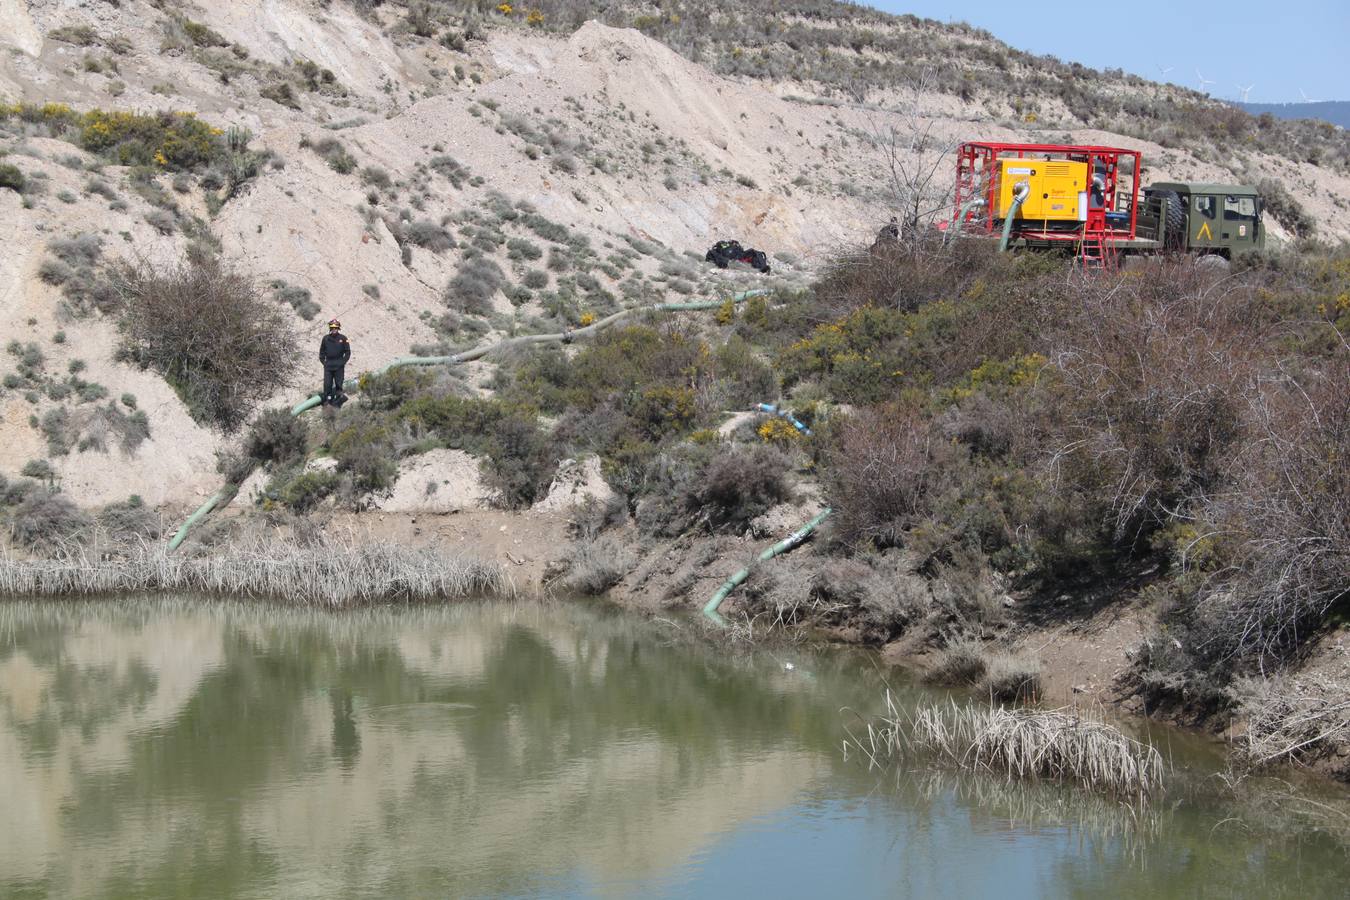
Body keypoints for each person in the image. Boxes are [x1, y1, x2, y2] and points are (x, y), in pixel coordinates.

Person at [319, 318, 350, 407]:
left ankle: (338, 401)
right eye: (332, 328)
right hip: (328, 366)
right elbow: (321, 352)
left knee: (339, 384)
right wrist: (323, 361)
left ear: (338, 328)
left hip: (339, 366)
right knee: (327, 384)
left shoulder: (343, 338)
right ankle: (327, 402)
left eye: (335, 327)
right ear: (330, 328)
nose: (334, 329)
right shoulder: (325, 339)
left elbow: (347, 352)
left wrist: (343, 362)